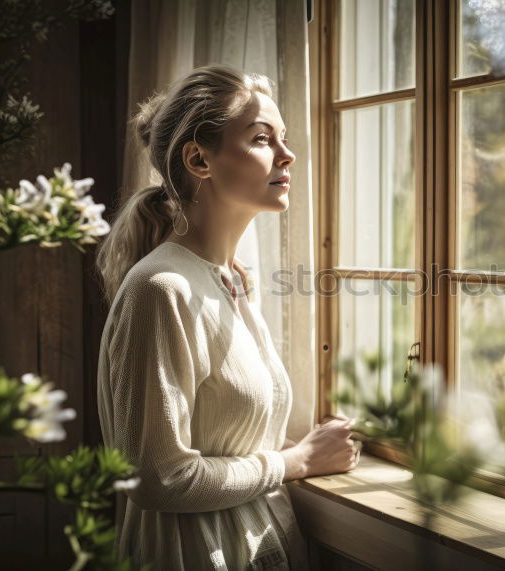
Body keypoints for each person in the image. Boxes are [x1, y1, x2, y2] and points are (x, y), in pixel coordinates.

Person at [94, 64, 358, 570]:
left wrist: (300, 450)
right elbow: (158, 479)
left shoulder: (231, 280)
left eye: (283, 138)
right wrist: (294, 462)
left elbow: (226, 434)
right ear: (199, 159)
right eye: (263, 139)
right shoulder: (161, 289)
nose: (288, 155)